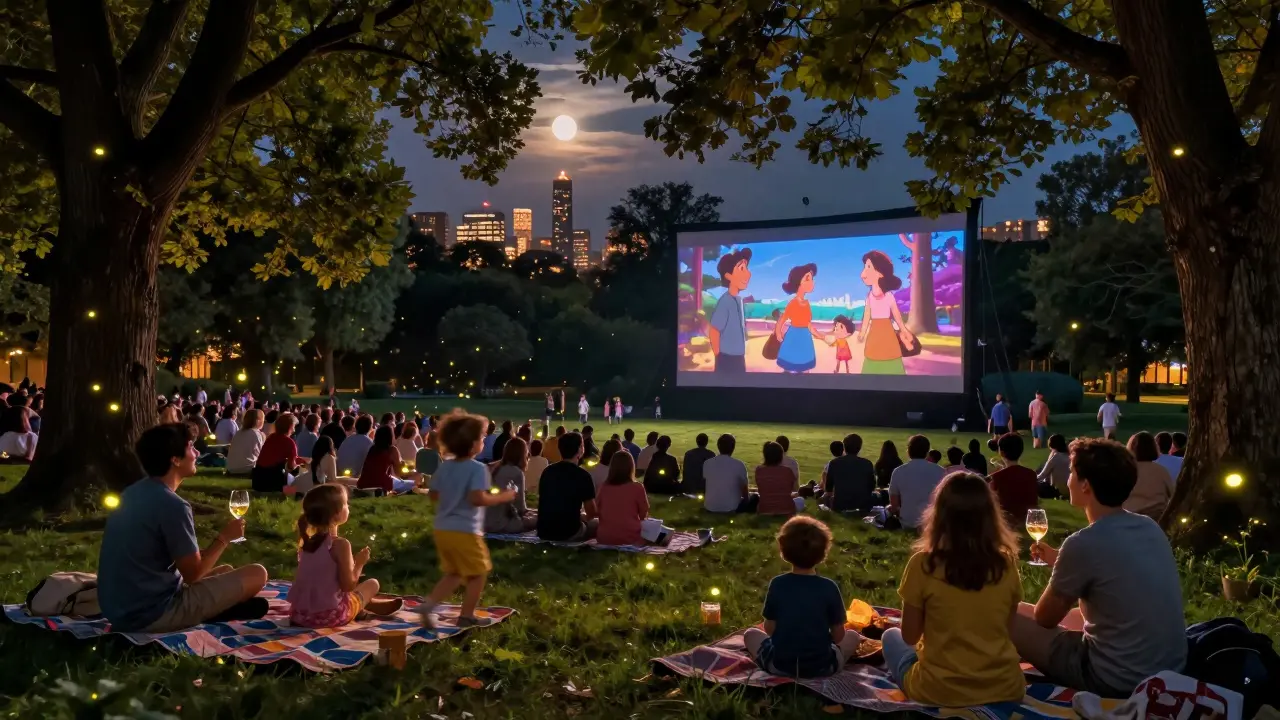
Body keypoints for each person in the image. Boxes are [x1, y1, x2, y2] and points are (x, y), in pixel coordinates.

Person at [1013, 438, 1187, 697]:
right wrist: (1059, 560)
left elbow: (1044, 618)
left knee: (1005, 616)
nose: (1068, 478)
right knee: (1058, 614)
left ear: (1085, 485)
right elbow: (1115, 568)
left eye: (1072, 472)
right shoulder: (1149, 527)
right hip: (1167, 670)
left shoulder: (1083, 543)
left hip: (1115, 678)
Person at [97, 423, 269, 632]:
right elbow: (193, 575)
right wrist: (225, 537)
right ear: (175, 459)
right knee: (257, 574)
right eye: (190, 448)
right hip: (151, 613)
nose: (197, 453)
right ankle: (215, 612)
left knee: (226, 571)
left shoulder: (131, 493)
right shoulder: (174, 506)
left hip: (119, 609)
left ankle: (220, 608)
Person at [881, 472, 1026, 707]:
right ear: (990, 516)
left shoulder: (923, 564)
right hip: (1005, 687)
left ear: (939, 514)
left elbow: (909, 636)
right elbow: (1006, 630)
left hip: (937, 690)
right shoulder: (1005, 564)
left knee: (890, 636)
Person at [420, 411, 517, 629]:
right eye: (482, 437)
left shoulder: (445, 466)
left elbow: (433, 494)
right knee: (477, 573)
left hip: (443, 529)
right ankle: (466, 615)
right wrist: (503, 496)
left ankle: (429, 605)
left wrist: (452, 496)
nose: (484, 441)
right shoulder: (478, 468)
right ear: (474, 444)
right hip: (465, 530)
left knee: (454, 573)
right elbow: (477, 498)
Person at [743, 516, 859, 677]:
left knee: (750, 634)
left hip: (779, 666)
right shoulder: (829, 587)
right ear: (823, 554)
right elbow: (839, 636)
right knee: (853, 636)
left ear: (783, 551)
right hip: (823, 668)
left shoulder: (778, 584)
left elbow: (769, 629)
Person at [289, 485, 403, 627]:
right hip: (329, 616)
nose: (348, 507)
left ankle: (367, 607)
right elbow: (348, 586)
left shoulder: (306, 542)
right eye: (346, 504)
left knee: (344, 593)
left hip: (300, 616)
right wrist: (360, 563)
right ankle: (362, 607)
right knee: (373, 584)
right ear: (336, 513)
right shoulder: (340, 545)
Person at [856, 250, 915, 374]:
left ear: (880, 273)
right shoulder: (869, 297)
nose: (863, 273)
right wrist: (862, 333)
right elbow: (867, 316)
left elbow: (896, 314)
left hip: (887, 331)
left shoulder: (888, 296)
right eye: (865, 267)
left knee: (890, 354)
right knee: (873, 354)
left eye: (868, 267)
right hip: (874, 333)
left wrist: (904, 330)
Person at [536, 432, 599, 541]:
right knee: (598, 523)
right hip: (568, 532)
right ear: (580, 449)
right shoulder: (583, 475)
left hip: (544, 530)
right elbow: (591, 512)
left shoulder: (547, 471)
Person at [774, 263, 825, 373]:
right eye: (808, 278)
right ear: (798, 283)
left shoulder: (806, 304)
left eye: (812, 278)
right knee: (790, 368)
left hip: (805, 338)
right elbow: (782, 319)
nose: (812, 282)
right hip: (793, 337)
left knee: (805, 369)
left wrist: (820, 335)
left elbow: (808, 324)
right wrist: (778, 332)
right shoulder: (793, 303)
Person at [709, 247, 753, 374]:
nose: (748, 273)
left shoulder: (738, 300)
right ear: (728, 275)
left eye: (746, 268)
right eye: (742, 268)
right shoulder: (725, 301)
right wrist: (719, 356)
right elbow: (714, 330)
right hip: (726, 359)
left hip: (739, 357)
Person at [889, 435, 946, 530]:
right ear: (927, 452)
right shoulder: (941, 471)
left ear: (909, 450)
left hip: (907, 522)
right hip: (932, 524)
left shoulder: (898, 471)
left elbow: (894, 505)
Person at [596, 451, 650, 546]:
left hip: (604, 537)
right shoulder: (637, 487)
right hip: (630, 537)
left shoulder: (604, 487)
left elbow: (598, 510)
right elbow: (643, 514)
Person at [485, 437, 538, 534]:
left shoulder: (491, 467)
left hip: (483, 522)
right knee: (539, 519)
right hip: (501, 524)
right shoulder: (516, 472)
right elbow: (521, 508)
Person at [987, 432, 1039, 523]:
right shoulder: (1031, 474)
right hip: (1028, 520)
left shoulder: (996, 477)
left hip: (1005, 522)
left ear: (1001, 452)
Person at [1124, 431, 1175, 521]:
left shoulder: (1123, 471)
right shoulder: (1161, 471)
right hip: (1157, 520)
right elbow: (1173, 495)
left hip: (1128, 518)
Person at [821, 434, 876, 513]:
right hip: (863, 505)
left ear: (844, 448)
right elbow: (872, 487)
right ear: (859, 448)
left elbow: (828, 489)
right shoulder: (867, 464)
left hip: (840, 505)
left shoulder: (834, 463)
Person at [704, 433, 757, 513]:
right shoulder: (739, 464)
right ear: (733, 447)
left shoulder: (707, 463)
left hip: (710, 507)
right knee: (755, 497)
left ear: (718, 446)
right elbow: (745, 492)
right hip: (732, 508)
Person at [254, 413, 306, 492]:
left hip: (257, 480)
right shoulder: (290, 442)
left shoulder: (270, 438)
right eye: (294, 427)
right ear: (290, 427)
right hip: (273, 482)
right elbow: (291, 466)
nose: (294, 430)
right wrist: (299, 464)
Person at [356, 426, 416, 494]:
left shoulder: (372, 448)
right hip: (381, 485)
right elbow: (399, 473)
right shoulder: (392, 450)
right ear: (390, 437)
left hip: (363, 484)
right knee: (414, 485)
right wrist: (413, 472)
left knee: (396, 480)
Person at [756, 441, 805, 516]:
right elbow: (793, 490)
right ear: (780, 456)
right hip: (786, 509)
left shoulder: (759, 470)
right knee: (801, 500)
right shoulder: (788, 471)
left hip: (765, 509)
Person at [226, 409, 266, 475]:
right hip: (248, 469)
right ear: (258, 420)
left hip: (232, 469)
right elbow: (262, 456)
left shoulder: (238, 433)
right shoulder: (257, 434)